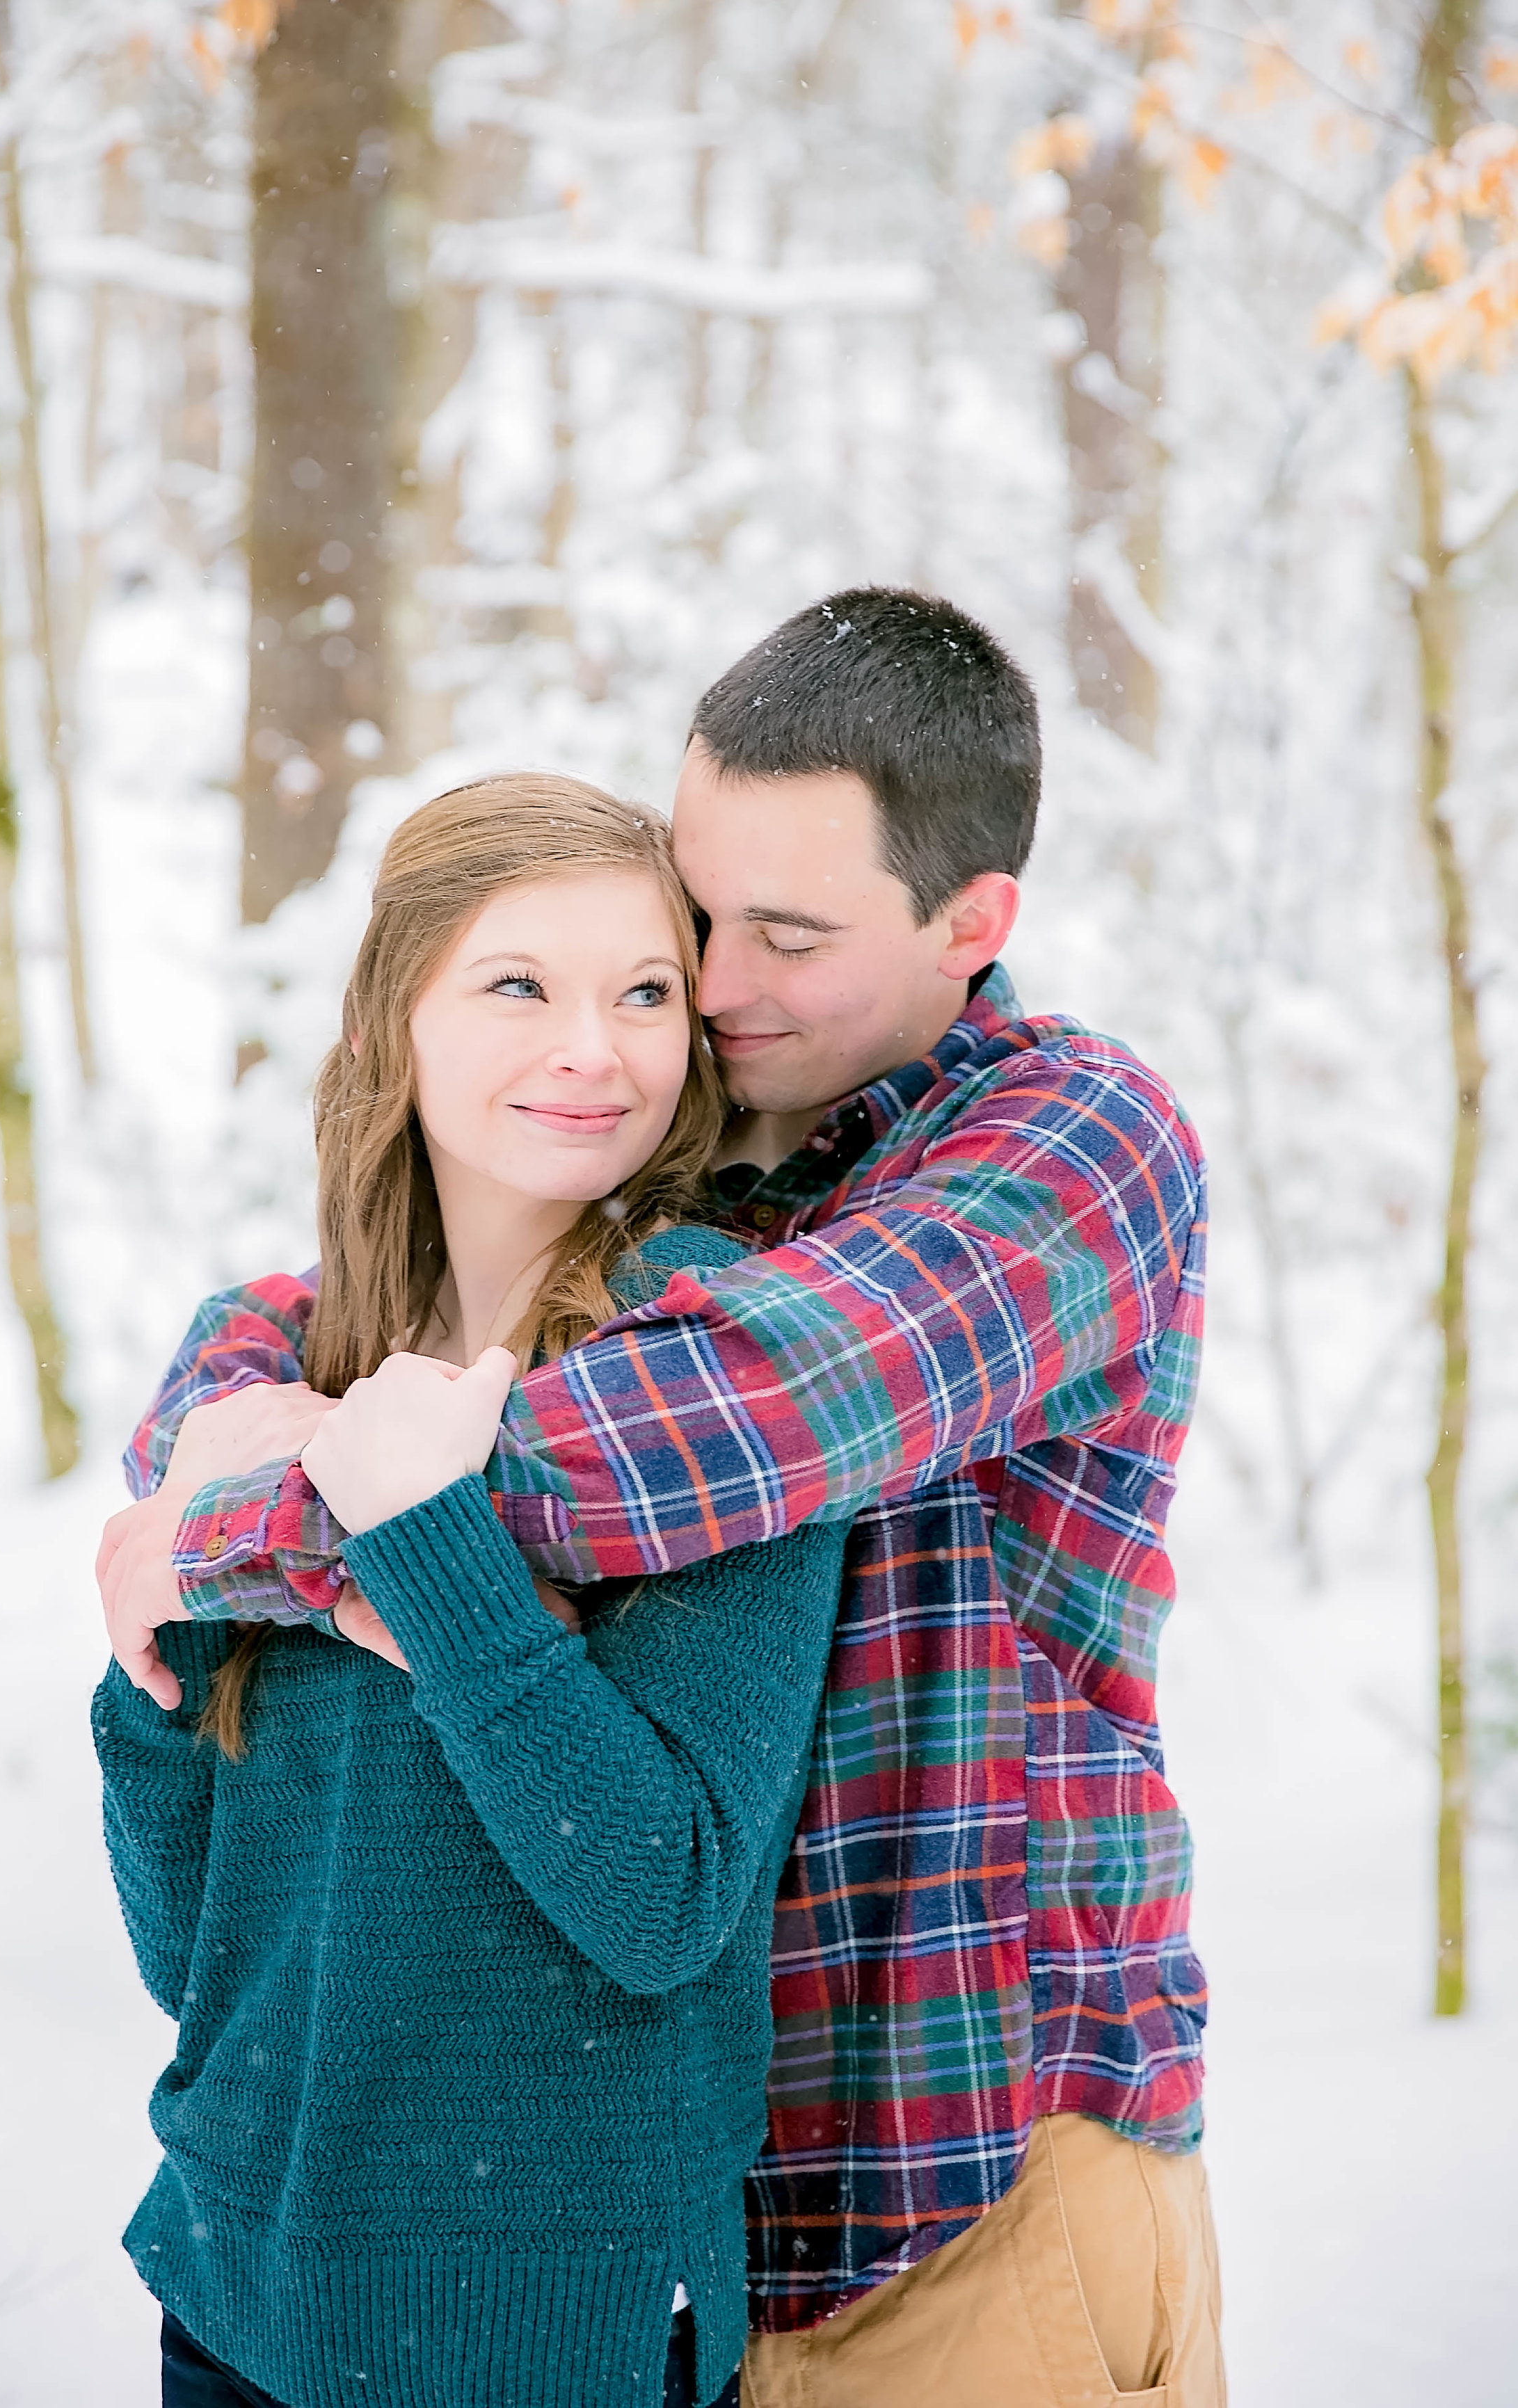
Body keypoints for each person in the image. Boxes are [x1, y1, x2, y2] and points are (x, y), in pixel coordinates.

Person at [102, 588, 1226, 2407]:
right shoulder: (702, 1163)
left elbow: (705, 1420)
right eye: (690, 916)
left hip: (965, 2190)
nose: (700, 989)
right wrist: (231, 1411)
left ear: (971, 923)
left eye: (775, 932)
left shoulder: (1056, 1149)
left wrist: (239, 1531)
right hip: (690, 2228)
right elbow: (371, 1331)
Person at [94, 773, 853, 2408]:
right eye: (520, 985)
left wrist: (423, 1553)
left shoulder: (709, 1366)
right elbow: (209, 1956)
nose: (596, 1047)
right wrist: (152, 1631)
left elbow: (659, 1900)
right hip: (235, 2293)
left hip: (545, 2333)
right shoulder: (268, 1366)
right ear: (391, 1023)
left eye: (643, 993)